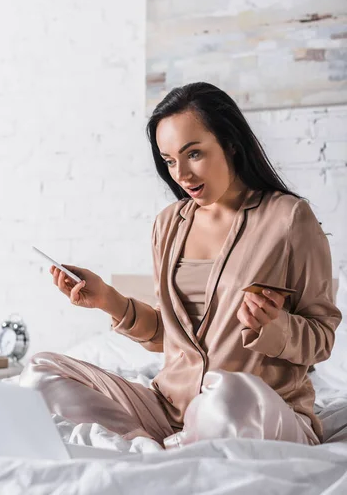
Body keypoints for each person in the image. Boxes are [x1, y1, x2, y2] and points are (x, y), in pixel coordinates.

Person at [20, 82, 342, 447]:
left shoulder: (288, 218)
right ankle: (165, 443)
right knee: (40, 372)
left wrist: (274, 325)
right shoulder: (168, 224)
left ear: (231, 144)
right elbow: (168, 336)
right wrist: (107, 299)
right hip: (169, 409)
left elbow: (322, 338)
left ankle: (178, 443)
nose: (181, 175)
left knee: (226, 395)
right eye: (170, 160)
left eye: (194, 154)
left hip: (252, 408)